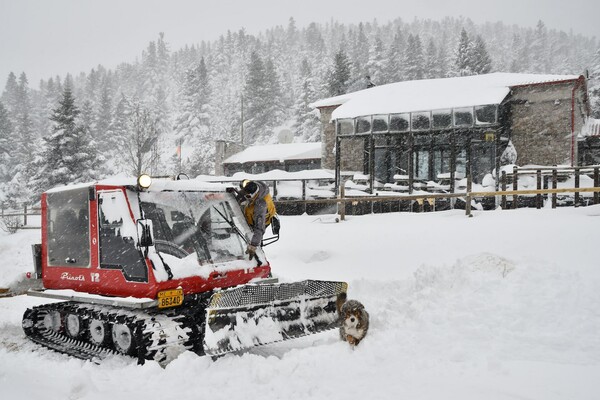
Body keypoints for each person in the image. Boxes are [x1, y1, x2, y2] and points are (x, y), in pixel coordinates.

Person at [236, 180, 277, 260]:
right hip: (251, 214)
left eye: (248, 197)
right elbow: (243, 194)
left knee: (254, 241)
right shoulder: (253, 186)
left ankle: (259, 259)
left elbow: (259, 227)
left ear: (254, 194)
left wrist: (253, 245)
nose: (245, 197)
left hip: (261, 222)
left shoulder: (261, 205)